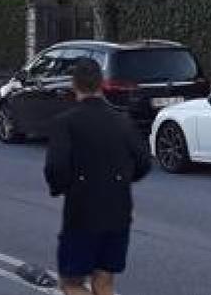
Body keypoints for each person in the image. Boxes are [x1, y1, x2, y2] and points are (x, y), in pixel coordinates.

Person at [44, 58, 151, 295]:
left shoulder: (65, 123)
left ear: (74, 85)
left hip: (82, 213)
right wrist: (121, 180)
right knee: (104, 282)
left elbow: (55, 167)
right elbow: (144, 161)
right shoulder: (122, 121)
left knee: (71, 283)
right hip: (118, 212)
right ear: (101, 84)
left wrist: (62, 187)